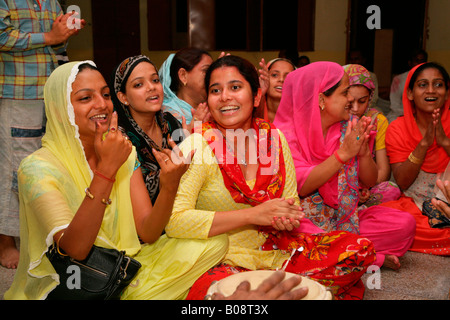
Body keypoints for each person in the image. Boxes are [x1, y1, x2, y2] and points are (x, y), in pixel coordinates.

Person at [4, 61, 228, 300]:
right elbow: (76, 250)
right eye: (85, 98)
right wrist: (106, 170)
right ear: (60, 110)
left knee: (216, 242)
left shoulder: (124, 151)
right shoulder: (37, 168)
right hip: (72, 280)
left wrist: (169, 186)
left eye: (105, 94)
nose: (101, 104)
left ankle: (131, 293)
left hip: (125, 263)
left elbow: (148, 232)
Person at [165, 55, 377, 300]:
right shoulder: (198, 145)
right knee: (218, 295)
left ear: (256, 96)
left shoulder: (272, 140)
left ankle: (276, 289)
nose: (225, 97)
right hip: (221, 258)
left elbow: (292, 204)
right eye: (215, 90)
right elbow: (175, 221)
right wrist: (252, 215)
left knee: (358, 250)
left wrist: (284, 218)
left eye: (235, 87)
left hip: (275, 250)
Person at [273, 61, 416, 271]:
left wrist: (364, 153)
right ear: (322, 99)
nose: (350, 99)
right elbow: (302, 187)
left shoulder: (346, 127)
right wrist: (343, 154)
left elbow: (368, 181)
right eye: (345, 92)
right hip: (301, 221)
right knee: (293, 236)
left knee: (404, 225)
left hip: (342, 219)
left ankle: (347, 251)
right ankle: (364, 256)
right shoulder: (283, 135)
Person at [0, 0, 86, 269]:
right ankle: (5, 241)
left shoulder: (50, 1)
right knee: (14, 167)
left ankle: (40, 231)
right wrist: (50, 35)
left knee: (44, 164)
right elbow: (2, 35)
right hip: (17, 93)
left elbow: (57, 47)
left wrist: (64, 34)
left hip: (49, 92)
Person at [383, 62, 450, 256]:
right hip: (414, 205)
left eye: (438, 85)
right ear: (410, 93)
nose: (431, 90)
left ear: (446, 92)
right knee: (399, 223)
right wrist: (424, 144)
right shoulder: (397, 128)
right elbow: (402, 181)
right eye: (423, 85)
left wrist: (444, 142)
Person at [110, 55, 189, 204]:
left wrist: (192, 143)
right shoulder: (120, 139)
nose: (152, 87)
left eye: (155, 80)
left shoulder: (170, 123)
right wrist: (167, 175)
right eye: (138, 84)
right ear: (123, 97)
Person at [343, 64, 401, 207]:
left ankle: (356, 207)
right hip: (338, 186)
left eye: (362, 101)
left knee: (391, 189)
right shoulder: (334, 118)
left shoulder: (377, 121)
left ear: (370, 98)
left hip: (367, 186)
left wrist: (362, 189)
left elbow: (382, 174)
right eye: (350, 102)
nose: (355, 109)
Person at [158, 47, 213, 124]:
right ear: (183, 76)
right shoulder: (168, 117)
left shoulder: (212, 108)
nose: (212, 76)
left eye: (212, 71)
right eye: (206, 70)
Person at [387, 49, 428, 123]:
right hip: (401, 114)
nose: (419, 63)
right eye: (417, 60)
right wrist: (410, 115)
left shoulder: (430, 79)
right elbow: (394, 105)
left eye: (422, 61)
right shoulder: (398, 79)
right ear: (410, 63)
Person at [259, 58, 296, 123]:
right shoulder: (251, 112)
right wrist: (260, 94)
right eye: (274, 75)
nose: (281, 79)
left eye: (288, 77)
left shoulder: (302, 116)